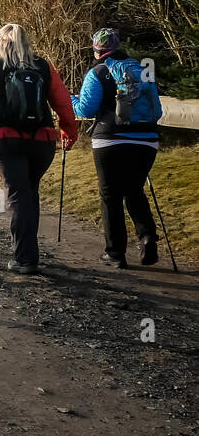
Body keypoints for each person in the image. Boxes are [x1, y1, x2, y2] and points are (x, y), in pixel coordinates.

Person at [0, 23, 78, 275]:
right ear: (26, 42)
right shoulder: (43, 66)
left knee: (18, 195)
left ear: (1, 42)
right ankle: (29, 251)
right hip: (42, 141)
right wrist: (69, 132)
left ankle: (25, 257)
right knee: (29, 192)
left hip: (6, 139)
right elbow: (63, 102)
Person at [71, 28, 164, 269]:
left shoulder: (98, 72)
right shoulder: (144, 71)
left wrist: (69, 100)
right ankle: (147, 237)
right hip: (146, 140)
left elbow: (86, 110)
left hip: (110, 140)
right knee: (134, 190)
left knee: (110, 195)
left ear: (96, 49)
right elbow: (158, 111)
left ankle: (115, 253)